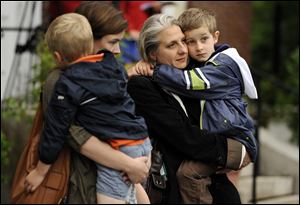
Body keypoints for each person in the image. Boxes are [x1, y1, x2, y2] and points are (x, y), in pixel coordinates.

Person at [24, 2, 151, 204]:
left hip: (116, 168)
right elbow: (74, 135)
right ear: (88, 38)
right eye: (112, 42)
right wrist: (130, 165)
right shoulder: (59, 82)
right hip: (85, 184)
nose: (117, 51)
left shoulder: (95, 73)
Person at [132, 8, 258, 203]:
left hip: (218, 188)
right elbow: (182, 135)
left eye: (183, 41)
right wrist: (226, 152)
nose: (184, 49)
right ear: (153, 53)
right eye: (172, 45)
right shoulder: (143, 85)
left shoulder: (198, 71)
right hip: (174, 189)